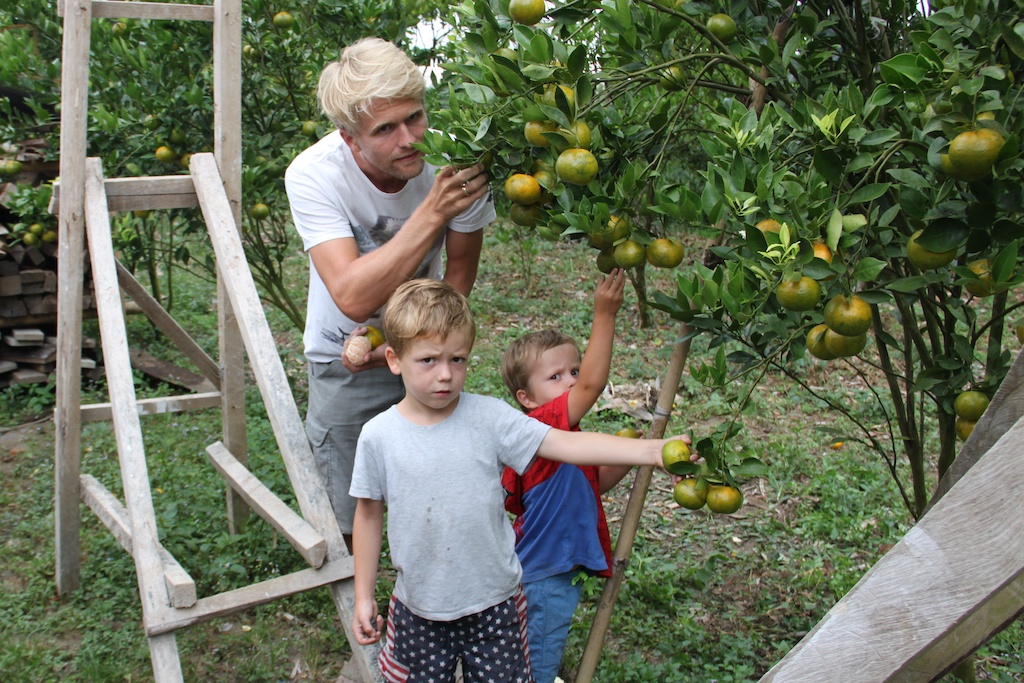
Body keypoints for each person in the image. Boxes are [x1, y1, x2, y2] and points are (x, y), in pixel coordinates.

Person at [349, 279, 690, 682]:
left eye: (458, 359)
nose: (445, 375)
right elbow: (369, 515)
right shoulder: (378, 436)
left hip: (496, 606)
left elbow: (565, 444)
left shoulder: (488, 419)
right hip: (419, 608)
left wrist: (652, 452)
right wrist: (364, 594)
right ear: (393, 359)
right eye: (429, 360)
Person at [284, 37, 494, 548]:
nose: (410, 140)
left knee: (432, 491)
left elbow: (460, 276)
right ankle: (359, 601)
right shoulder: (314, 175)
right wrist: (433, 212)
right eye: (385, 130)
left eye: (415, 118)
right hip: (344, 358)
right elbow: (352, 295)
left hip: (425, 355)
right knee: (349, 508)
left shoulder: (453, 163)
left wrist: (420, 351)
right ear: (350, 138)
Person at [498, 268, 631, 683]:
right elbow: (592, 387)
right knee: (537, 659)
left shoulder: (567, 438)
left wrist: (636, 451)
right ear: (527, 398)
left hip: (546, 569)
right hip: (544, 574)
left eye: (573, 371)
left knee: (532, 648)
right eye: (555, 377)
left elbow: (593, 485)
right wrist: (605, 313)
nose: (571, 382)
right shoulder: (541, 427)